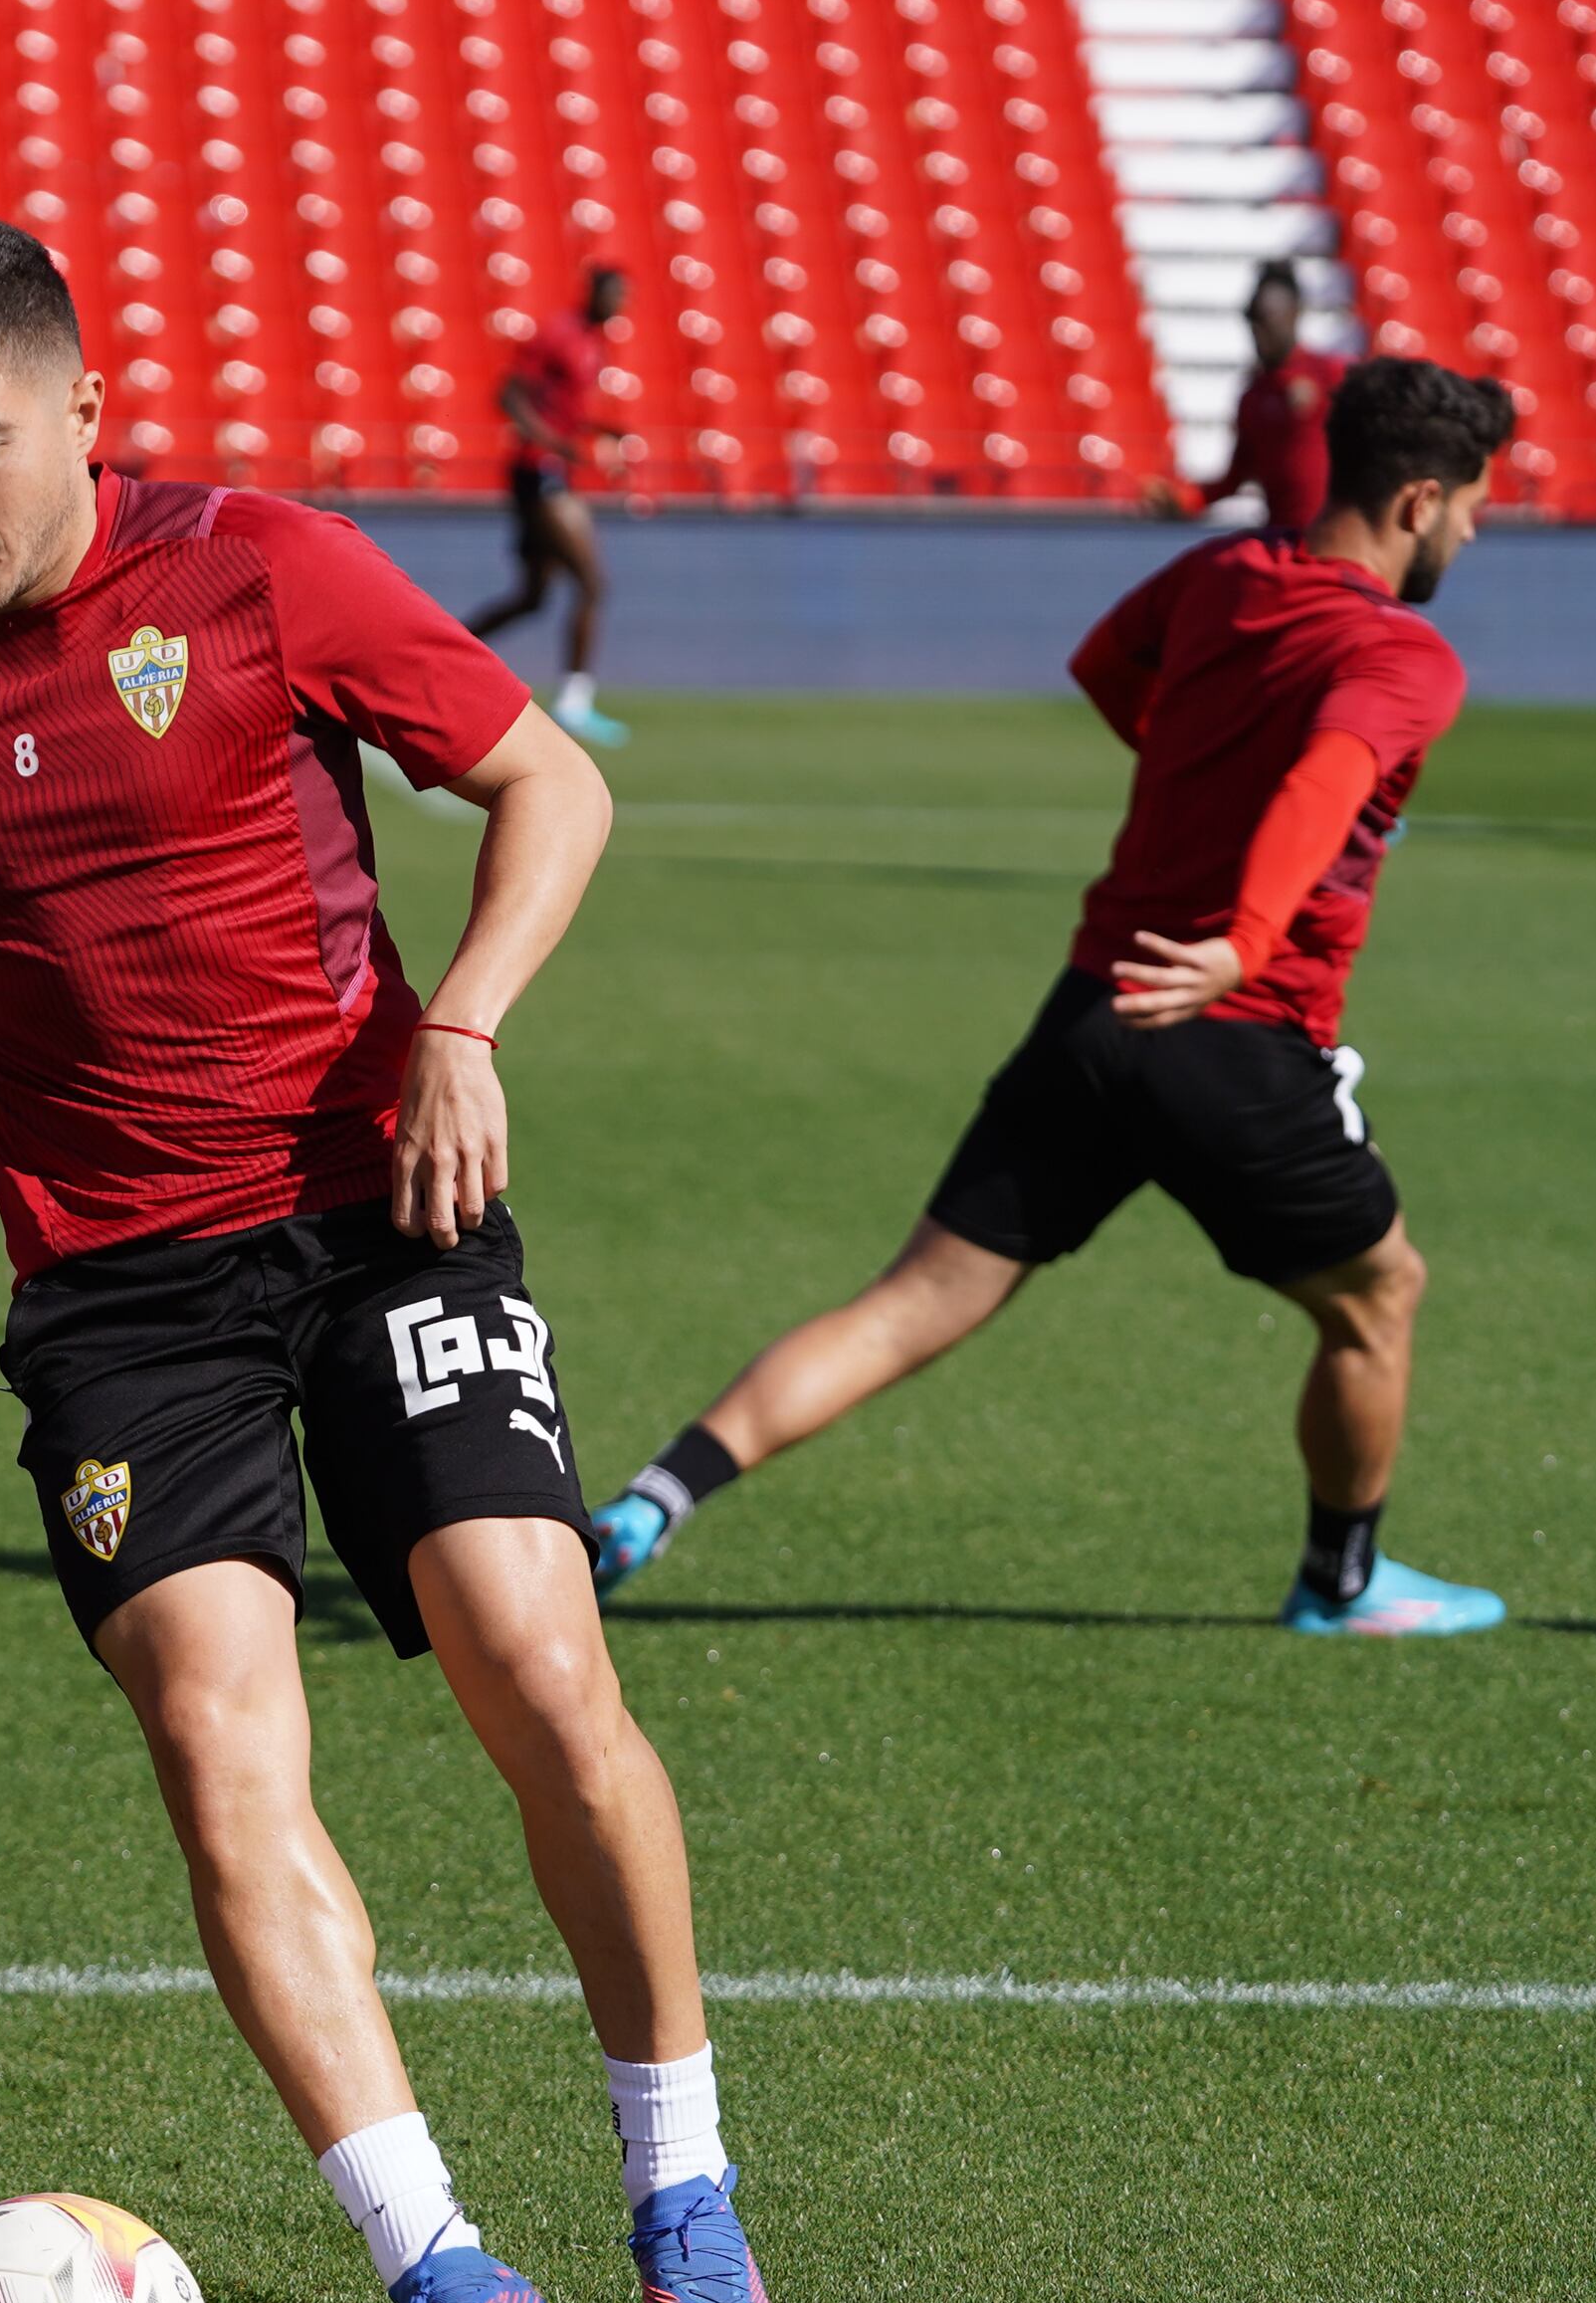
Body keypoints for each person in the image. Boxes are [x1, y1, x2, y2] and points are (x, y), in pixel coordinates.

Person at [0, 218, 784, 2303]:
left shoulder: (266, 571)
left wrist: (464, 1021)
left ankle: (680, 2185)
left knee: (536, 1669)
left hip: (378, 1216)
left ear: (79, 416)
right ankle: (443, 2264)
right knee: (221, 1756)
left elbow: (556, 781)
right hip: (117, 1293)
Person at [584, 356, 1521, 1641]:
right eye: (1473, 507)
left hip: (1089, 1016)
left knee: (909, 1301)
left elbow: (1104, 666)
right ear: (1418, 501)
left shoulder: (1219, 576)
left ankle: (649, 1503)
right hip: (1233, 1039)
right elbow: (1327, 772)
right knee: (1379, 1293)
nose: (1472, 531)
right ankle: (1339, 1583)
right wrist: (1247, 938)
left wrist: (1199, 771)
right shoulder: (1405, 655)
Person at [464, 267, 630, 748]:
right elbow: (509, 395)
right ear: (595, 293)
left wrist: (597, 430)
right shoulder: (559, 334)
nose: (620, 304)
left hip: (551, 470)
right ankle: (575, 703)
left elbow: (564, 408)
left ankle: (429, 660)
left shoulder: (593, 342)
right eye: (615, 294)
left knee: (532, 597)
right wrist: (555, 443)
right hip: (539, 474)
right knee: (592, 582)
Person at [1155, 258, 1330, 541]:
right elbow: (1234, 478)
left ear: (1295, 314)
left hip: (1334, 545)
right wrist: (1183, 500)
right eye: (1255, 323)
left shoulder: (1331, 376)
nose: (1261, 334)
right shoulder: (1254, 397)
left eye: (1270, 320)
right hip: (1285, 545)